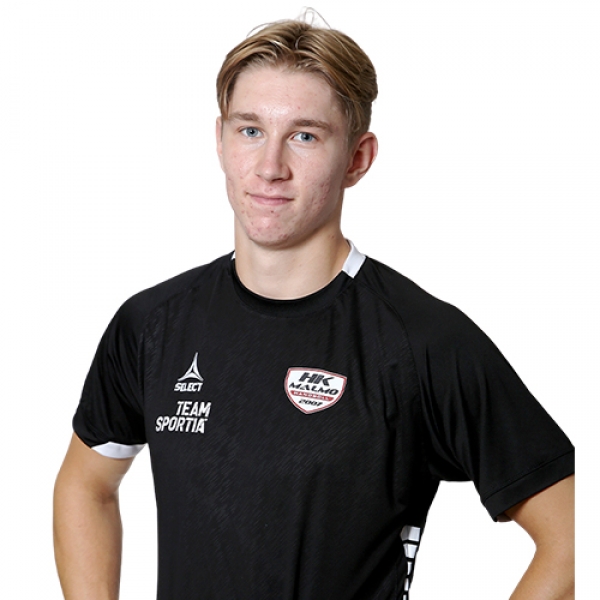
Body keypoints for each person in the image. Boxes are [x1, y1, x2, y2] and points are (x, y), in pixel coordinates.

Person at [53, 17, 575, 600]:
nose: (270, 166)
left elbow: (574, 538)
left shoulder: (422, 341)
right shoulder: (152, 325)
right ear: (220, 140)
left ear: (357, 158)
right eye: (250, 130)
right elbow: (86, 485)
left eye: (305, 136)